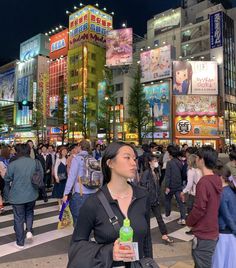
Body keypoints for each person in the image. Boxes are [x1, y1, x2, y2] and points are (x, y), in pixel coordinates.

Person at [67, 141, 153, 268]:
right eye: (127, 157)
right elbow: (76, 246)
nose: (134, 163)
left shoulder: (143, 196)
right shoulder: (94, 203)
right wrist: (109, 252)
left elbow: (146, 241)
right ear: (110, 163)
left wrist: (149, 263)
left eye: (134, 159)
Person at [186, 146, 222, 268]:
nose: (196, 159)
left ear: (202, 160)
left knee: (202, 263)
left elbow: (199, 208)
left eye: (197, 157)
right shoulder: (217, 179)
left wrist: (189, 221)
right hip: (213, 230)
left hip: (204, 233)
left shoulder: (204, 182)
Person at [4, 144, 43, 249]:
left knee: (18, 218)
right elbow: (41, 176)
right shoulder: (35, 162)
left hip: (17, 196)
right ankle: (29, 230)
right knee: (29, 212)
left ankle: (20, 242)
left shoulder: (13, 164)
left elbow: (7, 179)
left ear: (18, 152)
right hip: (32, 194)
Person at [140, 154, 173, 244]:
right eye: (154, 161)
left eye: (157, 161)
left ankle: (164, 235)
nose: (156, 163)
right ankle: (144, 238)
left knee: (159, 218)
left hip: (155, 199)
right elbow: (142, 186)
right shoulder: (146, 173)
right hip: (148, 200)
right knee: (146, 220)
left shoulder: (156, 172)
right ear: (150, 162)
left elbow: (157, 186)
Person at [63, 140, 96, 225]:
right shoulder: (93, 158)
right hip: (93, 193)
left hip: (80, 193)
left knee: (78, 219)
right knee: (90, 218)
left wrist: (66, 193)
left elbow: (71, 177)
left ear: (79, 147)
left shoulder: (77, 159)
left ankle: (80, 237)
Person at [212, 162, 236, 268]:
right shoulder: (232, 189)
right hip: (230, 233)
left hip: (224, 233)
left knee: (220, 261)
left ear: (221, 178)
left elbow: (227, 216)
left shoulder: (222, 193)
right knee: (229, 262)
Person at [164, 146, 186, 225]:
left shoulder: (169, 163)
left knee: (167, 199)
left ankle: (167, 214)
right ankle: (183, 218)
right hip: (179, 185)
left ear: (170, 154)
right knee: (180, 202)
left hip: (171, 185)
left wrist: (167, 186)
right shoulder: (180, 162)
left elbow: (168, 176)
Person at [52, 146, 68, 211]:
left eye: (66, 151)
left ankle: (63, 203)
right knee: (59, 191)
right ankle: (60, 205)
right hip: (59, 177)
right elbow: (55, 168)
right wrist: (56, 177)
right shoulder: (58, 158)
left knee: (64, 190)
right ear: (60, 152)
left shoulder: (67, 158)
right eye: (63, 151)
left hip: (65, 177)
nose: (65, 152)